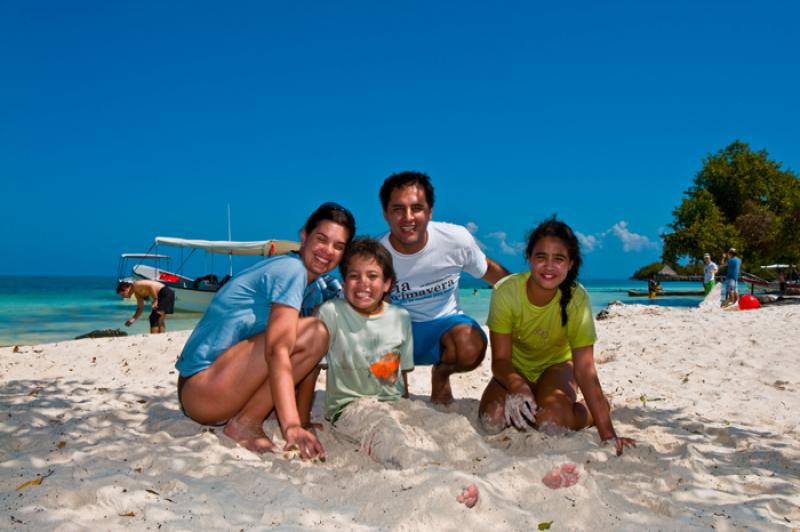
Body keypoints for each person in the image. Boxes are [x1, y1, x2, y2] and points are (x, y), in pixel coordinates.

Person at [174, 202, 356, 458]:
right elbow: (278, 350)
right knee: (315, 332)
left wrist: (302, 421)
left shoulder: (311, 288)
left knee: (314, 331)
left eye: (338, 246)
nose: (328, 251)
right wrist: (291, 427)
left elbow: (308, 361)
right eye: (321, 239)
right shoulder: (291, 271)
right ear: (304, 236)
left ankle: (250, 416)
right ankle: (245, 424)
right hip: (203, 389)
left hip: (217, 387)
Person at [478, 216, 635, 456]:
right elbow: (500, 361)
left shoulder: (576, 299)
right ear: (528, 258)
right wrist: (517, 385)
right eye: (541, 257)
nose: (549, 266)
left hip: (557, 367)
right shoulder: (506, 292)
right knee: (492, 420)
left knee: (552, 424)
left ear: (570, 264)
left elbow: (584, 369)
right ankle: (531, 395)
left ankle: (593, 409)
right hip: (515, 368)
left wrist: (608, 435)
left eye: (558, 259)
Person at [379, 171, 510, 404]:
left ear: (430, 212)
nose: (407, 217)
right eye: (398, 209)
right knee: (396, 400)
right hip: (396, 336)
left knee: (471, 346)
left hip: (445, 328)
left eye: (417, 208)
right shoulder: (377, 254)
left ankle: (441, 375)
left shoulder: (455, 239)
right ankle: (401, 388)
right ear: (385, 213)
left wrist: (536, 296)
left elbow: (495, 275)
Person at [308, 237, 414, 424]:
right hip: (349, 406)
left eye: (372, 276)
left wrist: (406, 406)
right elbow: (312, 369)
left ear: (387, 284)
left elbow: (402, 371)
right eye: (354, 276)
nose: (363, 283)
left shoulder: (400, 316)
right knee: (387, 435)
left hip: (393, 403)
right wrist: (302, 421)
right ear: (344, 283)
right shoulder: (331, 313)